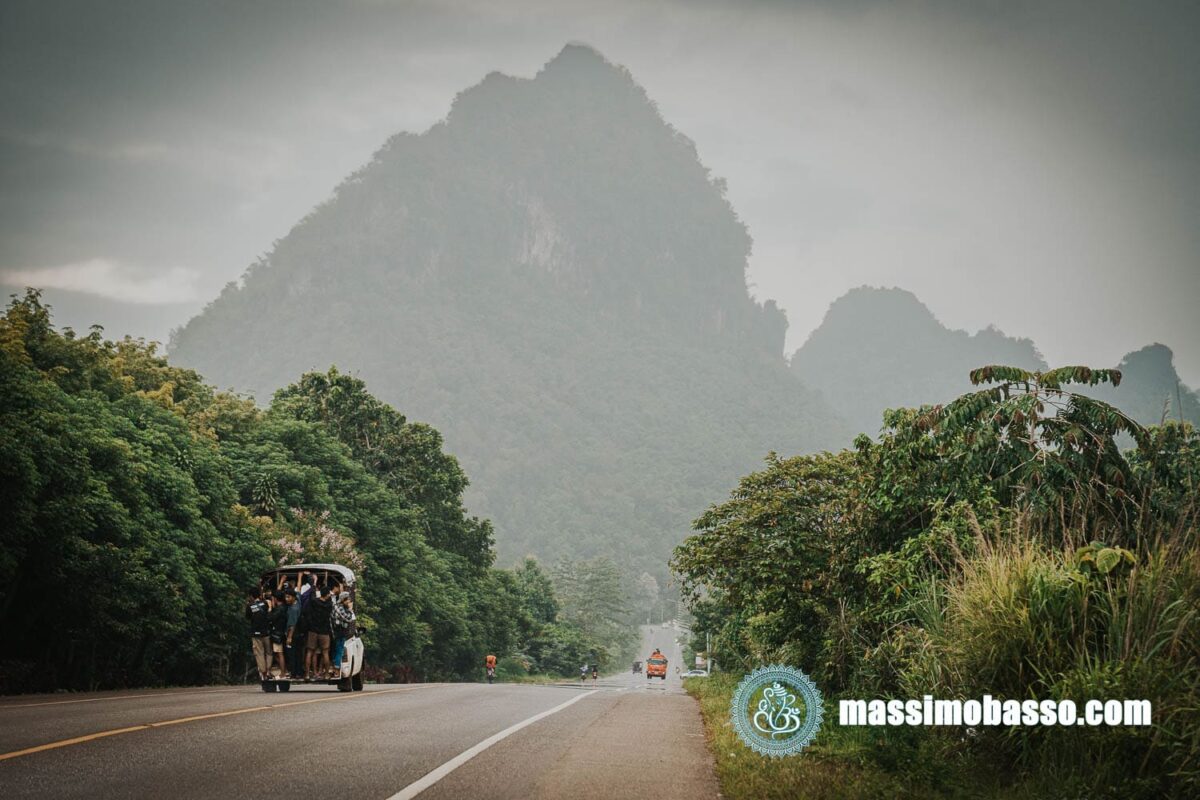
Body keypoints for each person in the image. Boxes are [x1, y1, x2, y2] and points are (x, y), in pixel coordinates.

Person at [304, 585, 334, 679]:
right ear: (327, 594)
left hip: (313, 630)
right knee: (325, 652)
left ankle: (307, 674)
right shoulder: (329, 605)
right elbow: (330, 600)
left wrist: (314, 584)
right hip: (324, 631)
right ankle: (326, 674)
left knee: (309, 652)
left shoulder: (314, 602)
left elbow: (312, 596)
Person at [246, 589, 271, 680]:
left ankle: (263, 672)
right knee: (269, 652)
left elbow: (248, 617)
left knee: (259, 653)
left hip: (256, 634)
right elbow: (268, 612)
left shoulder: (249, 606)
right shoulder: (265, 604)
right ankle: (268, 670)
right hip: (266, 632)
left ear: (251, 596)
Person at [331, 591, 356, 674]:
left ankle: (335, 666)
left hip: (338, 632)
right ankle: (336, 669)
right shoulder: (339, 608)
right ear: (343, 600)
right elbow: (349, 618)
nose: (348, 602)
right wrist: (350, 609)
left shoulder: (339, 606)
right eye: (347, 600)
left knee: (337, 650)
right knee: (339, 651)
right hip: (339, 632)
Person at [269, 590, 289, 678]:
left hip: (278, 633)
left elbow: (271, 618)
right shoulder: (285, 607)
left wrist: (270, 609)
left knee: (279, 653)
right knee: (278, 653)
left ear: (276, 599)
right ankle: (284, 670)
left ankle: (283, 672)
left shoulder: (279, 609)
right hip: (282, 632)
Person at [284, 589, 303, 678]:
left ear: (293, 597)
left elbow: (292, 625)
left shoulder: (293, 609)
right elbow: (298, 590)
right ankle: (299, 672)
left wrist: (289, 637)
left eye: (288, 597)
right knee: (299, 653)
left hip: (293, 634)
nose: (286, 599)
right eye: (286, 597)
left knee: (292, 654)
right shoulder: (298, 601)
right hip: (300, 633)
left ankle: (294, 672)